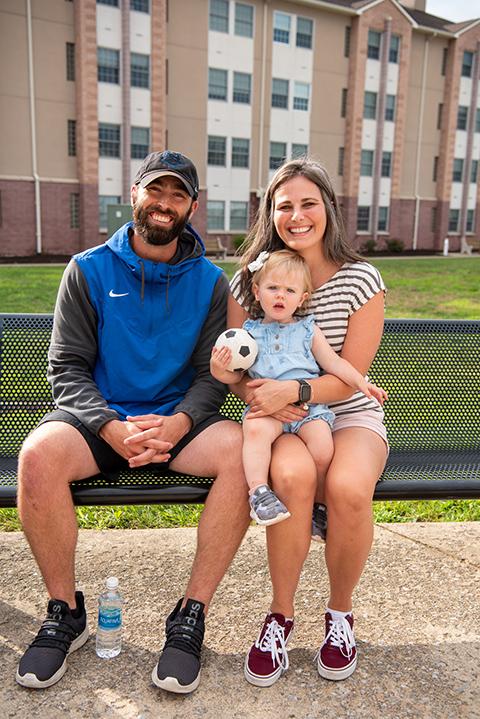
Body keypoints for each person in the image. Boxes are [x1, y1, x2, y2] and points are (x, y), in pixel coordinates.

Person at [15, 150, 250, 693]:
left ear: (193, 206)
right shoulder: (89, 268)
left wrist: (181, 421)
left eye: (178, 194)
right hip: (100, 421)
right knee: (37, 455)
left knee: (243, 451)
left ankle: (190, 616)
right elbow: (68, 368)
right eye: (156, 190)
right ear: (136, 194)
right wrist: (109, 427)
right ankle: (64, 610)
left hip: (177, 426)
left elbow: (211, 374)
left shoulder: (212, 283)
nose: (164, 204)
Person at [228, 156, 389, 687]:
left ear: (329, 209)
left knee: (346, 487)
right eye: (284, 206)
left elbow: (350, 377)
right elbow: (237, 361)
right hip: (282, 416)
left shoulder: (361, 279)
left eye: (308, 204)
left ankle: (340, 615)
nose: (297, 216)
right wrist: (259, 393)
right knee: (293, 479)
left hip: (346, 412)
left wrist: (294, 390)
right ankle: (280, 617)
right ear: (269, 214)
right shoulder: (252, 279)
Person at [211, 249, 387, 528]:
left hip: (308, 409)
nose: (280, 296)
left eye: (290, 290)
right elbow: (234, 377)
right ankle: (259, 494)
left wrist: (361, 382)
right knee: (255, 432)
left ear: (302, 298)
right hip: (268, 411)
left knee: (322, 446)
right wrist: (218, 367)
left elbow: (334, 362)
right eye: (273, 288)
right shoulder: (248, 333)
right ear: (257, 292)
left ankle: (319, 504)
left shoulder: (308, 330)